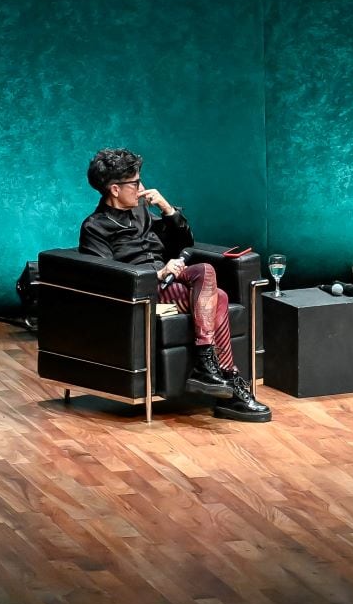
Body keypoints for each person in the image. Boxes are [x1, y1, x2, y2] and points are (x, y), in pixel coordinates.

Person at [78, 148, 271, 422]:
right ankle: (232, 384)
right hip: (144, 292)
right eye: (135, 183)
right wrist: (154, 275)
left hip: (169, 282)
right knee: (221, 298)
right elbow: (105, 277)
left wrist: (167, 209)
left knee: (205, 271)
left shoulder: (142, 213)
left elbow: (184, 244)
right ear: (115, 190)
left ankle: (209, 366)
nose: (142, 188)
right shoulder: (95, 227)